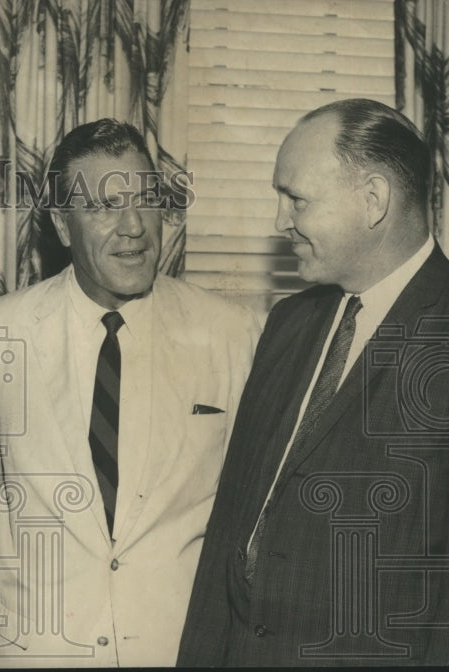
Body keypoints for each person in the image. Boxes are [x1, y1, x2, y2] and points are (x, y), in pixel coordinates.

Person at [0, 119, 262, 667]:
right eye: (105, 206)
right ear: (62, 224)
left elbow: (251, 510)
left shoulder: (230, 331)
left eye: (146, 200)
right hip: (42, 650)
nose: (133, 227)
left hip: (181, 649)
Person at [177, 98, 449, 665]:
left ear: (373, 200)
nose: (281, 221)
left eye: (296, 199)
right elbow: (233, 522)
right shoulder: (289, 323)